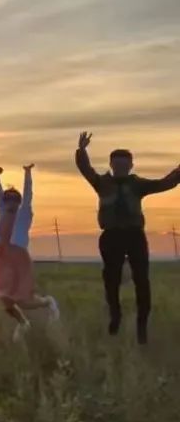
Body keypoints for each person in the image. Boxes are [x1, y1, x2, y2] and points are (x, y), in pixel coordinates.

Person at [75, 132, 180, 344]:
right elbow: (85, 169)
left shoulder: (138, 184)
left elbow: (164, 183)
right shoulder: (102, 183)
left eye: (125, 164)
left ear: (131, 165)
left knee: (142, 281)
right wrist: (82, 150)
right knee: (111, 280)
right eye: (117, 164)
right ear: (112, 165)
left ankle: (142, 328)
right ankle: (115, 316)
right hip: (111, 236)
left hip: (134, 236)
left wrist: (179, 171)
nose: (121, 167)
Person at [0, 165, 60, 340]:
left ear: (18, 202)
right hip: (3, 258)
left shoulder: (24, 213)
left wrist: (27, 173)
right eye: (7, 199)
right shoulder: (1, 213)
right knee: (5, 299)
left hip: (19, 259)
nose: (10, 203)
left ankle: (48, 302)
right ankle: (23, 323)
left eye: (14, 200)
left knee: (23, 300)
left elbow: (29, 194)